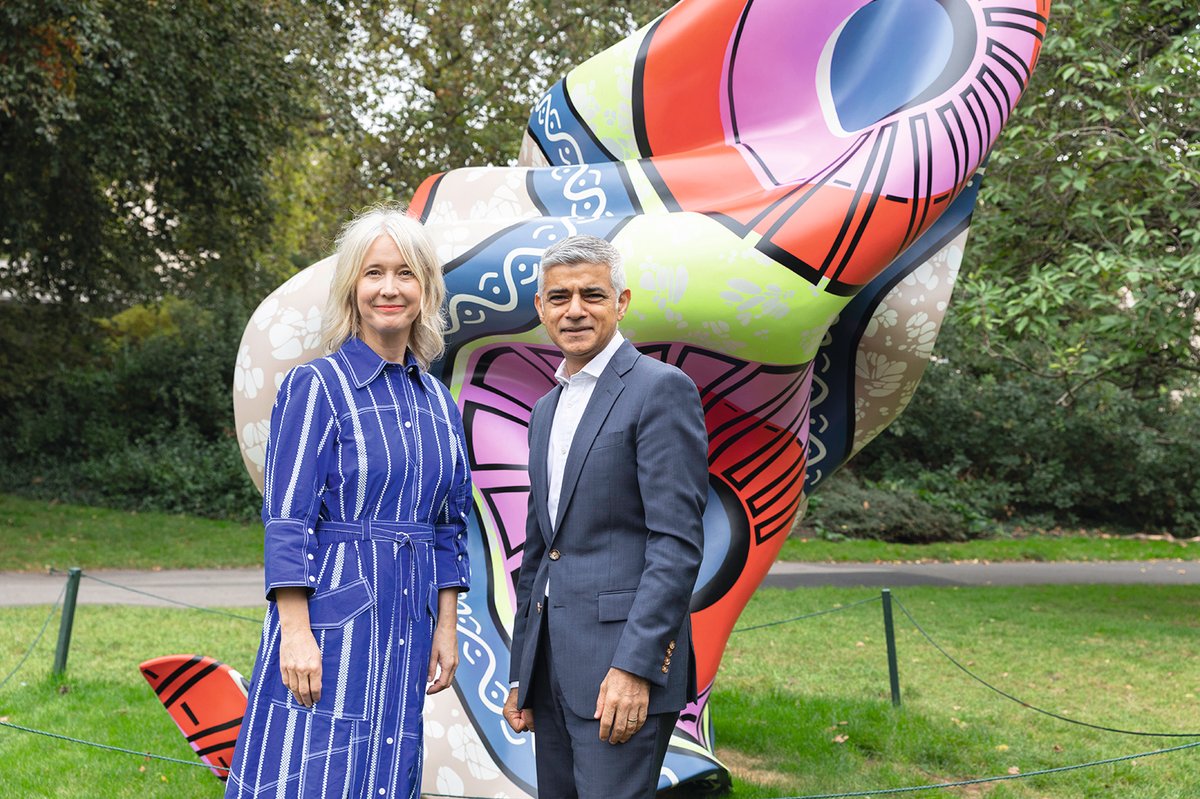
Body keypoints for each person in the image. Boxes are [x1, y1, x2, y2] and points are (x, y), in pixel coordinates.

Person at [225, 206, 471, 799]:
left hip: (410, 616)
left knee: (388, 767)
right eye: (374, 273)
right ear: (352, 290)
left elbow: (448, 527)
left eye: (406, 273)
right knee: (311, 769)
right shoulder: (316, 387)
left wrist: (447, 625)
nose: (390, 288)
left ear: (426, 289)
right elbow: (287, 518)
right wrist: (294, 631)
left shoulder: (439, 401)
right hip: (331, 616)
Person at [502, 234, 708, 798]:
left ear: (621, 303)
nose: (574, 310)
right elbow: (541, 551)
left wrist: (636, 668)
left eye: (592, 294)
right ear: (540, 308)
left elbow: (678, 545)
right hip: (553, 672)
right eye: (559, 297)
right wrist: (523, 671)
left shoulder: (661, 390)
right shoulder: (546, 408)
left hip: (622, 673)